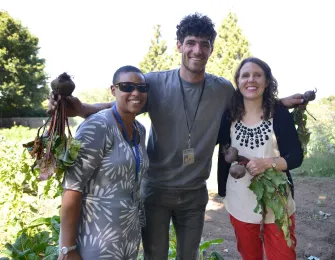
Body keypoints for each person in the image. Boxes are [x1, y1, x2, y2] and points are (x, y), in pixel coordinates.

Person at [48, 13, 305, 260]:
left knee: (188, 256)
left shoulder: (222, 89)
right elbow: (122, 101)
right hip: (156, 192)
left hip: (194, 194)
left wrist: (280, 103)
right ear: (179, 45)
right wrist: (82, 109)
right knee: (155, 256)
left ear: (211, 50)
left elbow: (251, 102)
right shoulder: (155, 83)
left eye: (204, 45)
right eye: (190, 43)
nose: (197, 50)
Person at [58, 65, 149, 260]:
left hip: (128, 237)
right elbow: (72, 188)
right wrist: (67, 248)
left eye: (142, 88)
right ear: (113, 90)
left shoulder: (140, 130)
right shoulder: (96, 127)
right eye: (127, 86)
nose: (136, 93)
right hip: (96, 239)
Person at [217, 57, 303, 260]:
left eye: (258, 75)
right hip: (240, 202)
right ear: (238, 82)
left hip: (277, 202)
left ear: (266, 81)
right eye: (245, 75)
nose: (251, 80)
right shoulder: (229, 116)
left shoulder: (279, 114)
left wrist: (268, 163)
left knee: (284, 256)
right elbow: (210, 140)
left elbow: (296, 156)